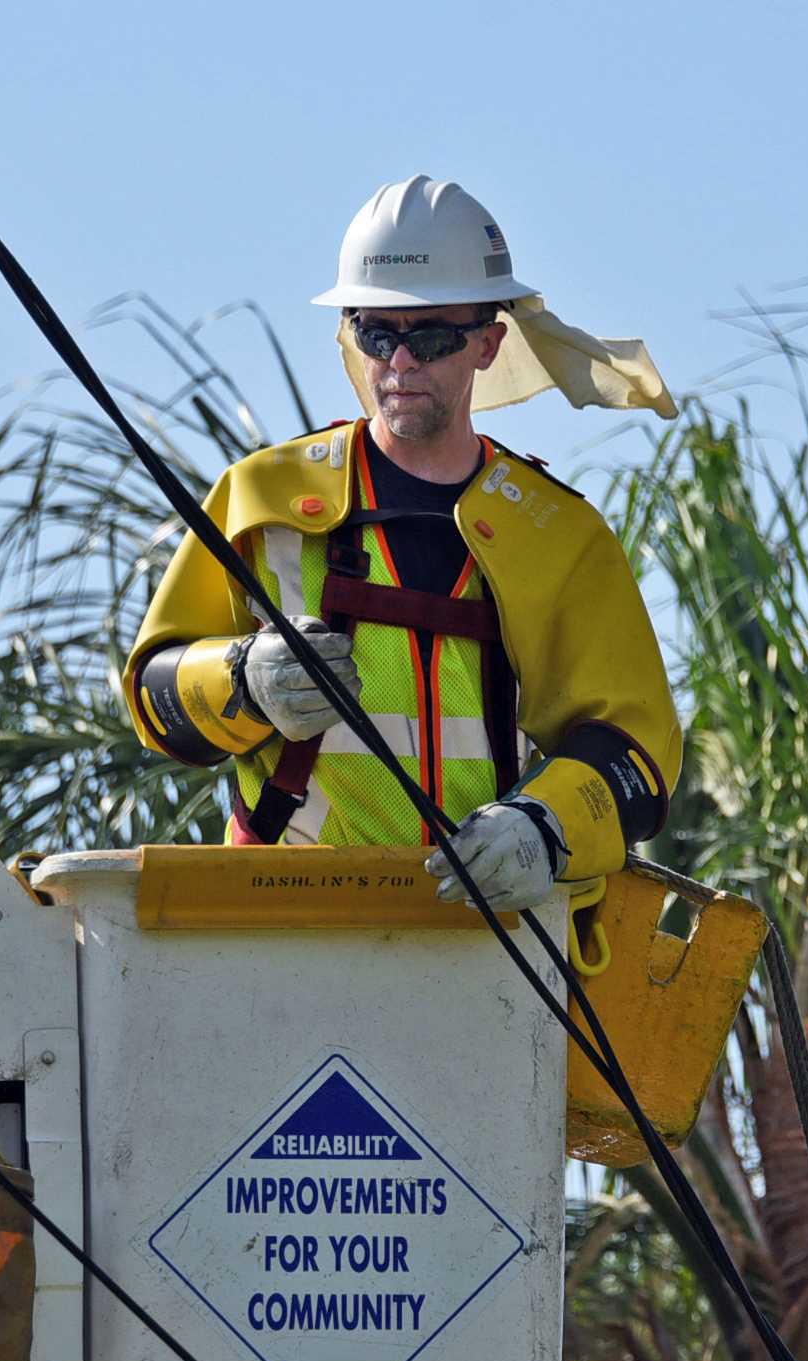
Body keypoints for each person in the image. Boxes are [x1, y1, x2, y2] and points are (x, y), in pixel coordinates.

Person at [121, 176, 682, 913]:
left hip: (485, 937)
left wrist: (544, 828)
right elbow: (156, 697)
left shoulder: (558, 536)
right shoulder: (262, 500)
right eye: (378, 335)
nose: (401, 363)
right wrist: (242, 678)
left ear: (489, 343)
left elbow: (635, 751)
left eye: (432, 337)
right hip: (282, 929)